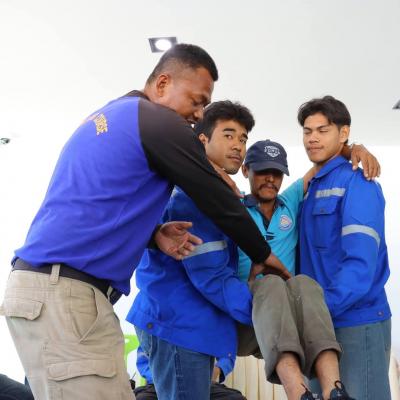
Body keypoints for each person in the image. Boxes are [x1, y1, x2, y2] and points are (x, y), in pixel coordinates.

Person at [0, 44, 288, 400]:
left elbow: (97, 203)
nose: (199, 114)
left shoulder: (113, 115)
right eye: (197, 101)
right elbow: (215, 197)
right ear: (163, 83)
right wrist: (262, 254)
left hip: (49, 289)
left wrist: (153, 235)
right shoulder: (157, 121)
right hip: (65, 293)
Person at [127, 101, 377, 400]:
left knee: (301, 285)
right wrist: (272, 311)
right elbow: (211, 278)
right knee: (270, 286)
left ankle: (331, 390)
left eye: (242, 138)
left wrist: (351, 149)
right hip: (180, 323)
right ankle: (297, 391)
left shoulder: (260, 200)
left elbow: (317, 168)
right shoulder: (203, 199)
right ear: (202, 140)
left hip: (215, 319)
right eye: (228, 135)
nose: (237, 145)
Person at [297, 95, 391, 400]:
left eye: (322, 130)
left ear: (344, 133)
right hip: (319, 325)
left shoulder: (358, 182)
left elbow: (360, 265)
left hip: (356, 322)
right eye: (307, 131)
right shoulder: (309, 188)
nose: (312, 138)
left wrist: (320, 310)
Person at [134, 345, 246, 400]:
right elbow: (143, 361)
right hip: (160, 385)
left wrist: (217, 369)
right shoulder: (155, 321)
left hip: (201, 383)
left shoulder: (209, 321)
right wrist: (165, 378)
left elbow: (227, 354)